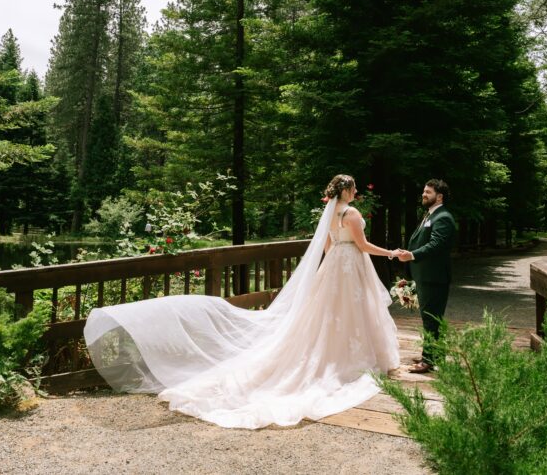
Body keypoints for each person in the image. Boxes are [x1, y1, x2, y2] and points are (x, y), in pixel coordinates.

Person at [83, 174, 401, 429]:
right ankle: (351, 356)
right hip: (349, 266)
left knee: (329, 316)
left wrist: (326, 274)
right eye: (354, 187)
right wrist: (391, 253)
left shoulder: (331, 213)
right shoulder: (353, 213)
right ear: (345, 191)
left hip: (333, 268)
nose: (356, 191)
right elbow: (361, 245)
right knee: (352, 313)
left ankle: (337, 351)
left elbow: (330, 247)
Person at [395, 178, 456, 373]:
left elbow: (437, 244)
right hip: (425, 276)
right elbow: (420, 241)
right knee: (429, 318)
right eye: (423, 191)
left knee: (431, 319)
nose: (423, 194)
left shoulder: (443, 217)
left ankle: (428, 360)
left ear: (439, 196)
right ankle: (432, 355)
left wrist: (411, 255)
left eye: (428, 192)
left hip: (434, 278)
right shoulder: (430, 215)